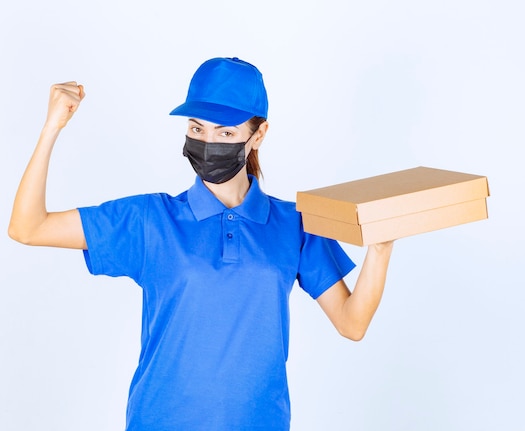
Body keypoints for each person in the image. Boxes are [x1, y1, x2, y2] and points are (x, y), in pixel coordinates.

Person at [8, 57, 394, 431]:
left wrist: (380, 247)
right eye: (197, 129)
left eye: (225, 132)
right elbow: (29, 228)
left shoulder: (295, 221)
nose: (208, 142)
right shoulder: (151, 219)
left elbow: (351, 322)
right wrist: (51, 128)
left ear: (258, 135)